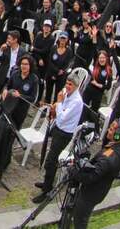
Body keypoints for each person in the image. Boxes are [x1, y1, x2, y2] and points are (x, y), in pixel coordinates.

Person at [70, 118, 120, 229]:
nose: (108, 130)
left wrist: (73, 171)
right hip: (101, 190)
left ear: (118, 135)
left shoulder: (108, 159)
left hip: (90, 194)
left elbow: (90, 178)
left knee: (80, 219)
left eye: (112, 129)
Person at [33, 73, 84, 203]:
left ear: (76, 86)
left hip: (65, 133)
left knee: (51, 160)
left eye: (70, 85)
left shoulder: (77, 101)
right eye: (67, 83)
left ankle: (47, 190)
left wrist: (59, 103)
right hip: (58, 128)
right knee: (49, 155)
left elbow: (63, 116)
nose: (67, 86)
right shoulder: (66, 93)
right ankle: (46, 182)